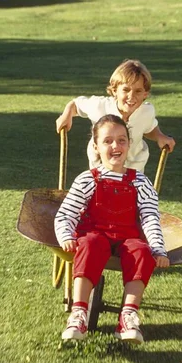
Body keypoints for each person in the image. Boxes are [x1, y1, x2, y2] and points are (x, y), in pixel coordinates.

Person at [54, 114, 170, 344]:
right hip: (95, 233)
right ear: (96, 147)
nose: (115, 146)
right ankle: (79, 314)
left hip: (127, 236)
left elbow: (150, 217)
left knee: (141, 252)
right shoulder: (87, 179)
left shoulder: (140, 182)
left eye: (121, 140)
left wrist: (158, 249)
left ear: (129, 144)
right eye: (107, 141)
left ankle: (128, 316)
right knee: (89, 244)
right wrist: (66, 235)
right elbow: (65, 213)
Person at [55, 59, 175, 173]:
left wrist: (160, 136)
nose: (131, 96)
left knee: (132, 194)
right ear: (114, 91)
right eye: (126, 90)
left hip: (133, 170)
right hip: (101, 169)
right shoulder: (100, 106)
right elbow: (76, 104)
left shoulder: (147, 111)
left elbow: (149, 127)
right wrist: (66, 116)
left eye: (138, 91)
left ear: (145, 94)